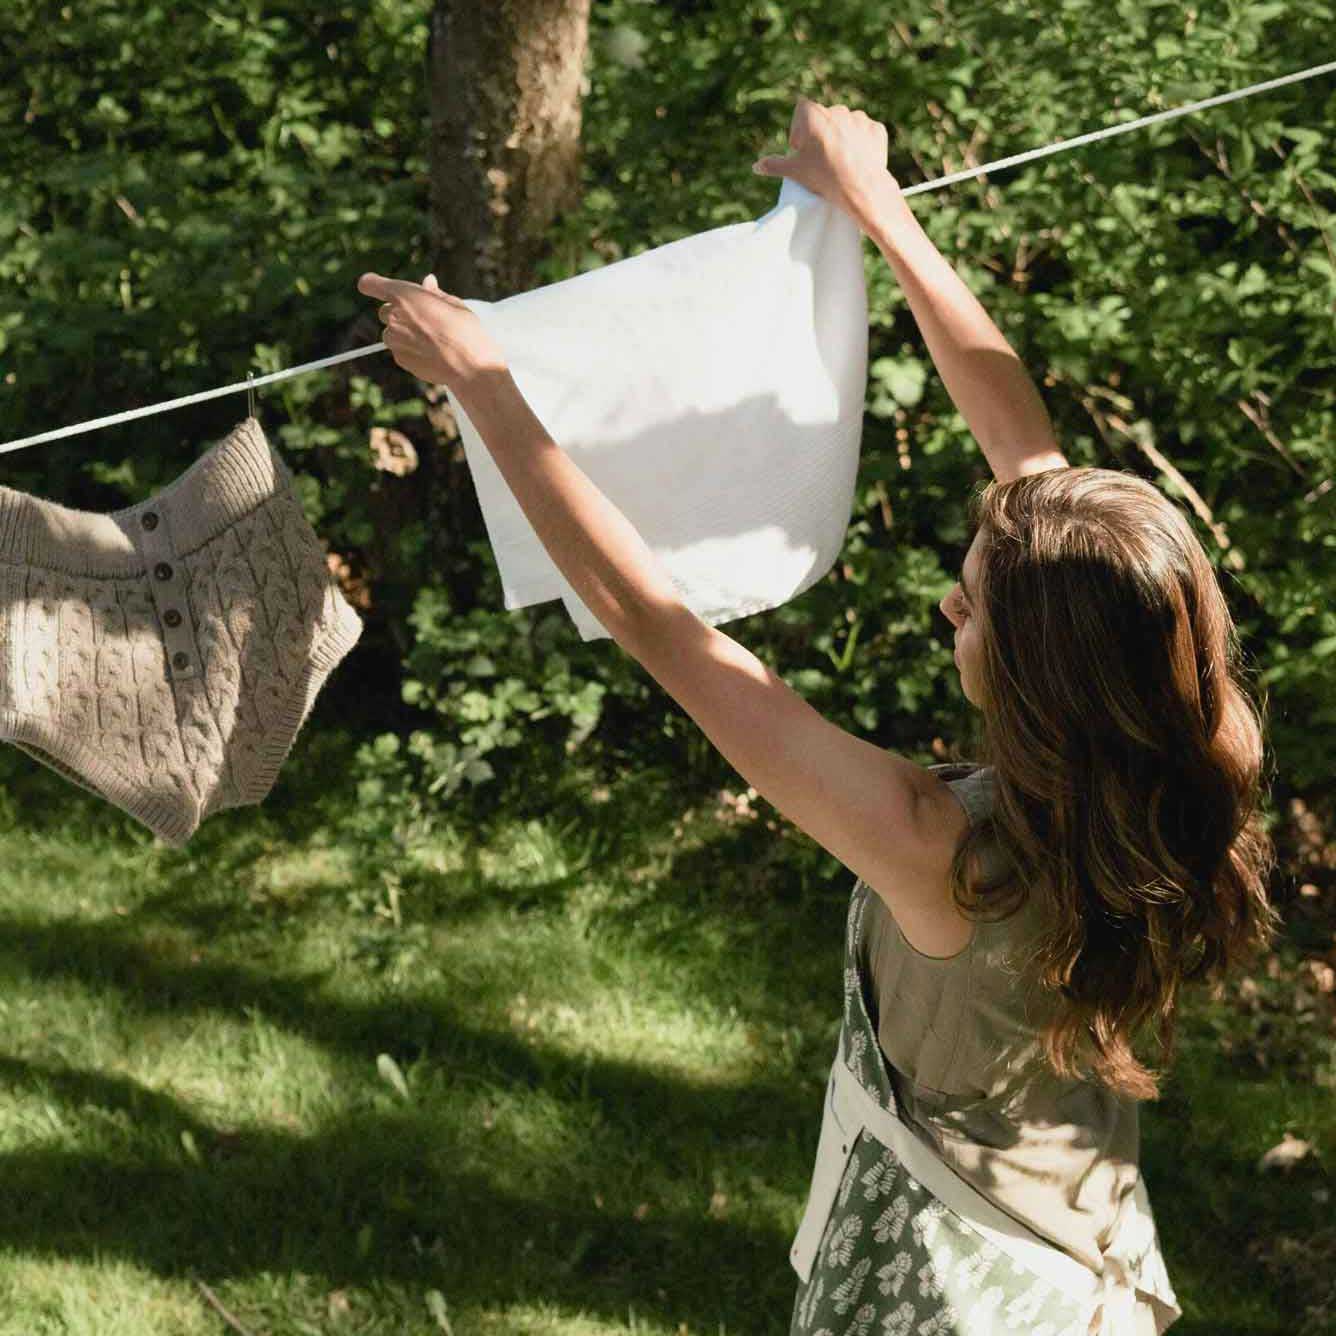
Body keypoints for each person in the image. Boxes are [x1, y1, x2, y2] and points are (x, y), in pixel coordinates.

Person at [359, 96, 1278, 1334]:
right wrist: (878, 204)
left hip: (966, 1300)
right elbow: (1023, 441)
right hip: (1090, 1258)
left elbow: (655, 621)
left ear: (1047, 672)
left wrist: (485, 381)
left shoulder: (939, 850)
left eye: (973, 607)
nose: (950, 596)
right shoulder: (1169, 760)